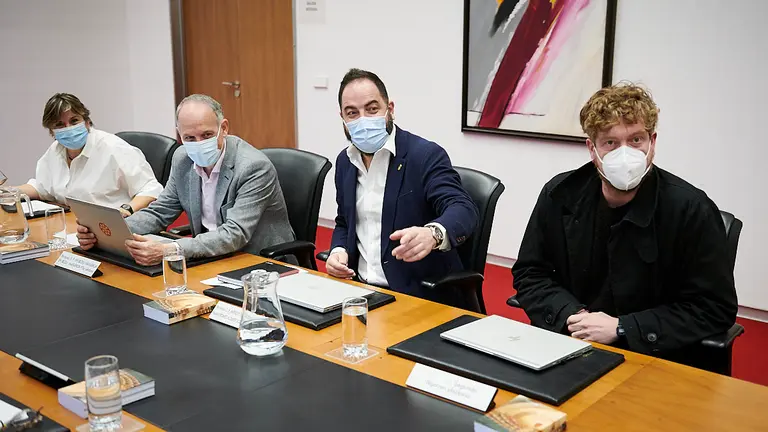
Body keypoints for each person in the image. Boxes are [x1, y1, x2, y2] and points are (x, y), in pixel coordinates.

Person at [511, 83, 738, 368]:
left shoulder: (691, 208)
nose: (625, 154)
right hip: (568, 342)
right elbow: (531, 272)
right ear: (592, 149)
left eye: (636, 140)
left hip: (656, 356)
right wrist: (572, 316)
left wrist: (623, 328)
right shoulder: (559, 193)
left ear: (652, 143)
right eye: (610, 143)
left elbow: (713, 307)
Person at [76, 94, 295, 265]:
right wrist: (109, 230)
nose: (198, 143)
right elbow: (160, 211)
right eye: (190, 138)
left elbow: (234, 234)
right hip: (210, 255)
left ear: (224, 128)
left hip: (258, 260)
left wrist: (172, 250)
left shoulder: (253, 167)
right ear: (179, 136)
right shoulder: (182, 158)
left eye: (207, 135)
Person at [326, 68, 479, 305]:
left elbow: (462, 208)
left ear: (390, 110)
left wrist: (433, 234)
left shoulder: (424, 155)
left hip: (416, 296)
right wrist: (338, 251)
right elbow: (344, 222)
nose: (363, 119)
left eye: (372, 109)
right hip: (359, 293)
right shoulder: (345, 161)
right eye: (352, 113)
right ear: (343, 119)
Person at [15, 93, 162, 216]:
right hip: (73, 224)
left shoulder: (114, 148)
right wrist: (8, 192)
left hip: (113, 226)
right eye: (59, 125)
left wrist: (126, 210)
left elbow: (151, 189)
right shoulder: (56, 150)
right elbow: (42, 188)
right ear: (51, 131)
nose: (69, 128)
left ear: (86, 121)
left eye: (74, 121)